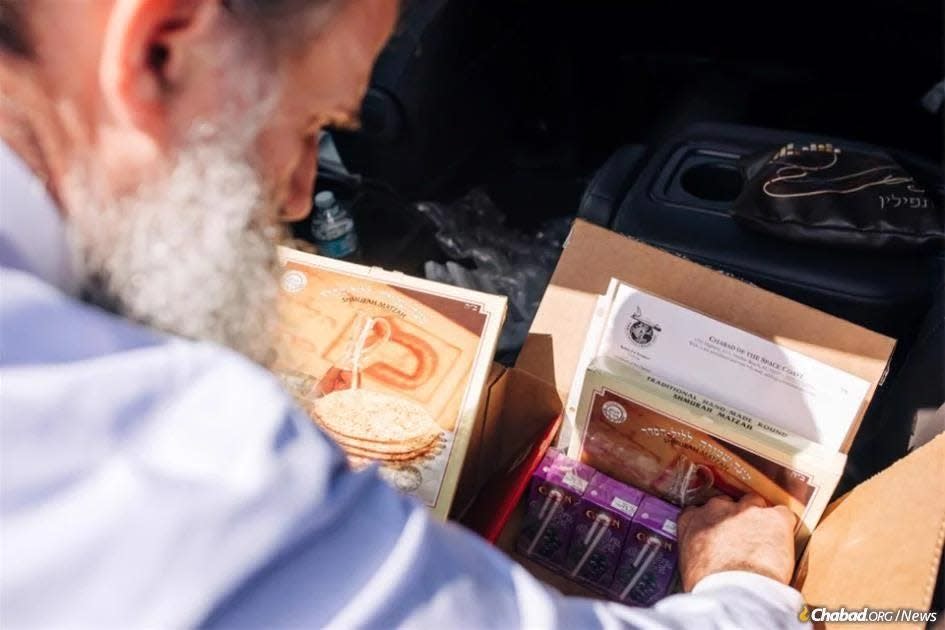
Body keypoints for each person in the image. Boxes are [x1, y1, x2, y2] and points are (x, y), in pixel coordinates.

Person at [0, 1, 806, 627]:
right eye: (307, 124)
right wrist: (746, 585)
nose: (293, 197)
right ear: (160, 49)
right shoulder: (165, 450)